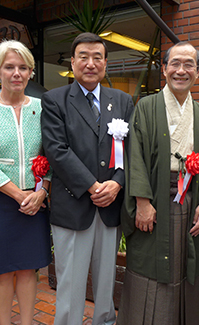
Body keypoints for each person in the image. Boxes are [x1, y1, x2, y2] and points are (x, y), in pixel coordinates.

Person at [117, 42, 199, 325]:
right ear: (163, 68)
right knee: (149, 265)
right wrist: (141, 201)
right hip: (153, 200)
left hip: (189, 201)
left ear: (198, 72)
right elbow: (135, 155)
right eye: (175, 63)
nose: (181, 70)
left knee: (182, 265)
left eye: (189, 64)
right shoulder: (146, 106)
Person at [41, 32, 134, 325]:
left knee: (107, 278)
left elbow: (132, 150)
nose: (90, 63)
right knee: (71, 280)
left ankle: (104, 321)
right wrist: (93, 186)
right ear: (72, 62)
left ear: (105, 63)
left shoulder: (122, 101)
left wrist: (117, 182)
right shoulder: (55, 100)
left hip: (110, 206)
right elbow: (57, 150)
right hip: (73, 203)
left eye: (97, 57)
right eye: (83, 56)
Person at [0, 40, 52, 325]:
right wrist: (19, 195)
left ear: (30, 73)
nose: (17, 73)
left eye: (23, 68)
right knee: (2, 270)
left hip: (36, 199)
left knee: (29, 269)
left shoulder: (43, 108)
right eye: (9, 67)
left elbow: (54, 153)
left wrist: (41, 193)